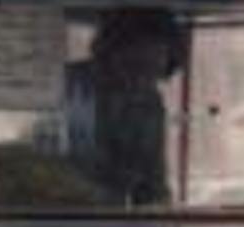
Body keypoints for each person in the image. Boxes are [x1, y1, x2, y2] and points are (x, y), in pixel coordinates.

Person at [57, 6, 187, 205]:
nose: (141, 83)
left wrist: (161, 221)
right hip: (49, 219)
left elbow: (152, 184)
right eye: (136, 66)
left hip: (112, 223)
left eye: (155, 73)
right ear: (109, 51)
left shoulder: (149, 105)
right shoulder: (64, 87)